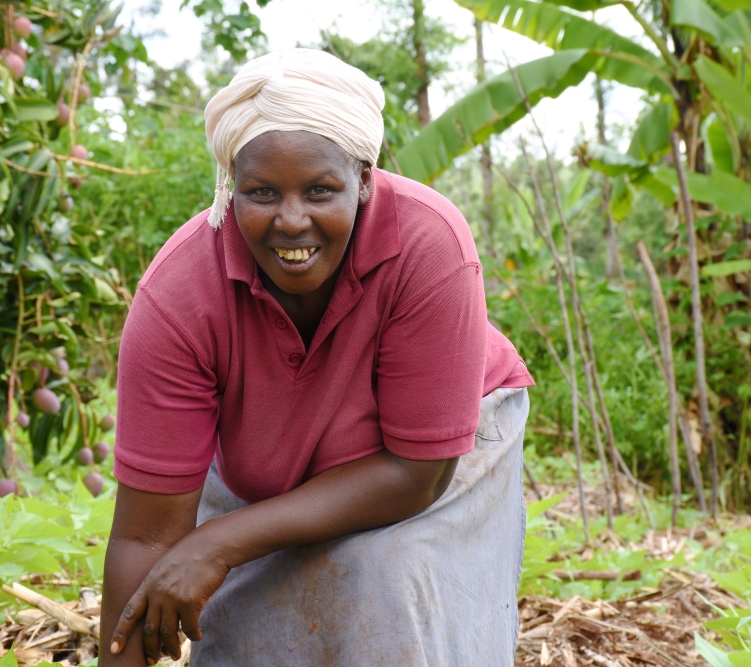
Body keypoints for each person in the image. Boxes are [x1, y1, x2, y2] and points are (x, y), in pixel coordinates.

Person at [102, 48, 534, 667]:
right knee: (243, 633)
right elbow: (145, 537)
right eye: (262, 192)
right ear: (230, 186)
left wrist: (219, 542)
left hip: (432, 455)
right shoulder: (179, 296)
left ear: (364, 179)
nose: (292, 220)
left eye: (320, 190)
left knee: (388, 586)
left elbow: (418, 472)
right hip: (270, 459)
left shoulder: (427, 245)